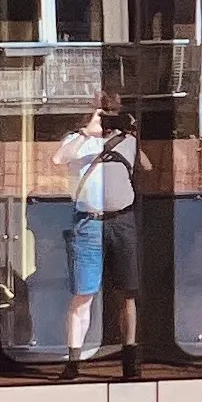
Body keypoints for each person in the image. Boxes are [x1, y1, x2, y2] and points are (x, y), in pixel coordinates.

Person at [55, 97, 141, 358]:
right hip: (88, 222)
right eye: (102, 114)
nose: (106, 119)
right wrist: (85, 134)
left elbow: (146, 165)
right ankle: (74, 360)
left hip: (122, 220)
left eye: (112, 114)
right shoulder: (75, 140)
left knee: (127, 292)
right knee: (83, 293)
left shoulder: (128, 140)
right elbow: (59, 159)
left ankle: (129, 356)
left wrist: (132, 131)